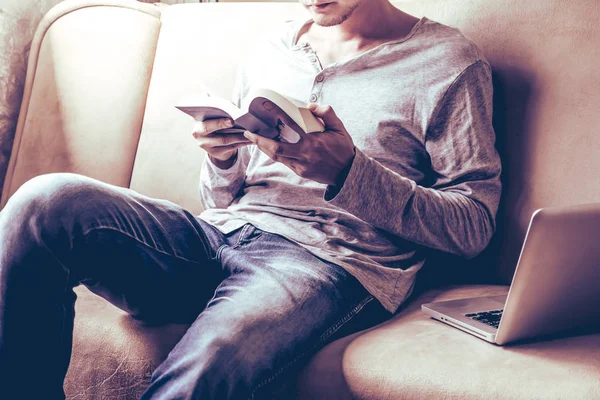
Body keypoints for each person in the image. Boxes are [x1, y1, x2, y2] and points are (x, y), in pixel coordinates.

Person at [0, 0, 502, 398]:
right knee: (47, 200)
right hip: (220, 233)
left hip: (329, 262)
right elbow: (222, 197)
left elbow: (474, 225)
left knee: (207, 364)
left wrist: (348, 172)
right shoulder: (272, 48)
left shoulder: (448, 62)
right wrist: (221, 159)